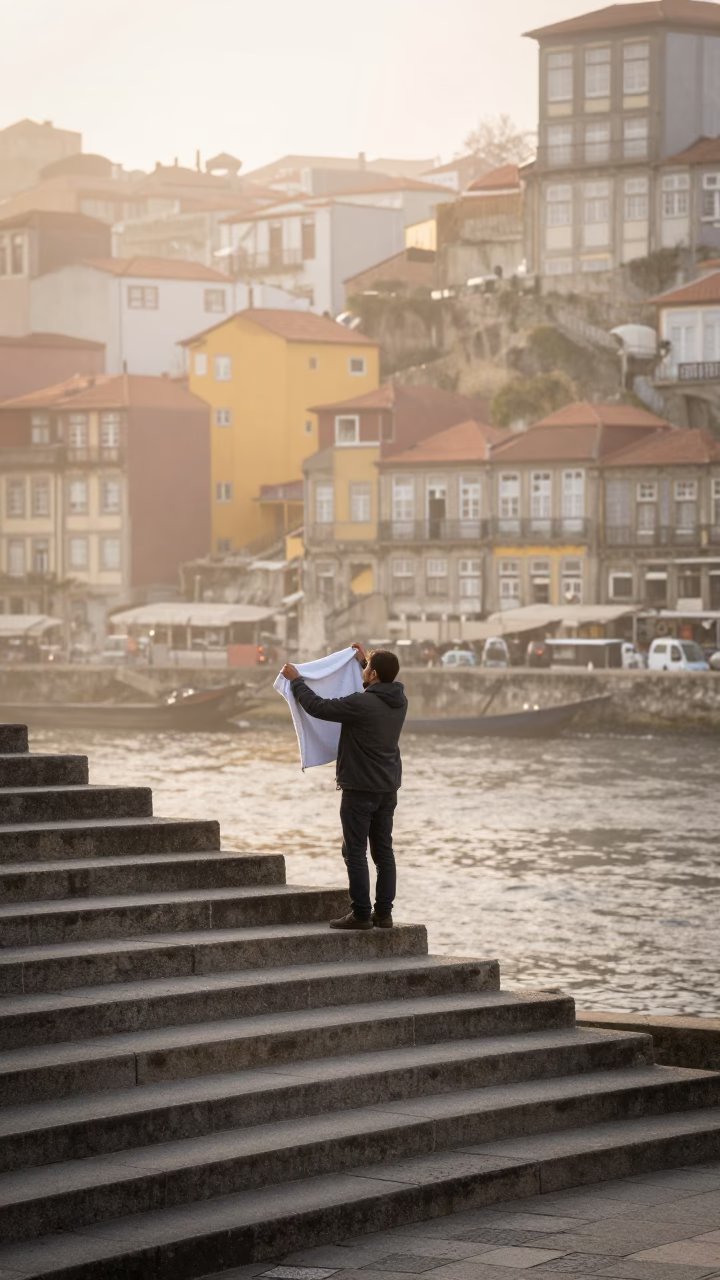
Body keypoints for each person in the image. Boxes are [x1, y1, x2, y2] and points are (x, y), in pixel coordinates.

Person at [281, 644, 407, 930]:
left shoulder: (361, 704)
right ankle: (383, 914)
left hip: (360, 787)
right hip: (387, 788)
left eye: (365, 668)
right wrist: (364, 659)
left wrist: (296, 680)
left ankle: (361, 914)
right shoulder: (400, 701)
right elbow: (378, 680)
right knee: (383, 852)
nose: (362, 670)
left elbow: (318, 707)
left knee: (354, 852)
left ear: (373, 675)